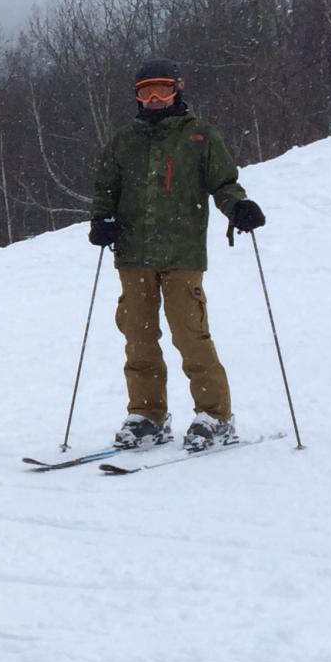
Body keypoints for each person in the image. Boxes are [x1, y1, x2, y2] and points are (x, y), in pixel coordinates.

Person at [89, 58, 264, 452]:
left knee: (190, 334)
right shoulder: (124, 141)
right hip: (133, 253)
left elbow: (223, 182)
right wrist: (102, 218)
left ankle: (215, 415)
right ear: (136, 97)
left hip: (181, 252)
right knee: (138, 337)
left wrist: (238, 207)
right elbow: (106, 186)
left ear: (177, 91)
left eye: (162, 90)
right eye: (145, 91)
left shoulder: (199, 136)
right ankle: (148, 415)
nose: (154, 99)